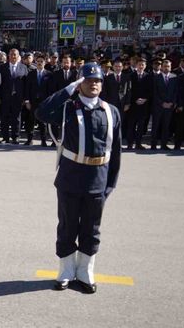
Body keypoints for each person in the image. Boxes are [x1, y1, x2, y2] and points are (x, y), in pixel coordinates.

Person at [35, 62, 122, 294]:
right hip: (70, 177)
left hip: (98, 178)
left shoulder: (110, 111)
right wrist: (67, 89)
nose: (93, 84)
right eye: (88, 80)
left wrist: (110, 183)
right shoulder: (67, 108)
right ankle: (65, 270)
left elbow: (115, 152)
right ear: (79, 83)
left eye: (97, 80)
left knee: (91, 228)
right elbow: (41, 112)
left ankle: (85, 271)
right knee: (67, 226)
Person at [0, 49, 28, 144]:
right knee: (4, 117)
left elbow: (26, 84)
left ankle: (16, 137)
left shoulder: (23, 67)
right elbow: (0, 83)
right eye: (11, 54)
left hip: (18, 97)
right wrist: (0, 96)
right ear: (8, 56)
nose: (13, 56)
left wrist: (25, 98)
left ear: (18, 56)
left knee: (17, 118)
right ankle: (5, 137)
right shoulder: (3, 67)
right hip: (5, 97)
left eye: (15, 55)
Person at [24, 54, 52, 146]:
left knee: (42, 123)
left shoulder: (49, 74)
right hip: (33, 101)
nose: (39, 63)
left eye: (41, 62)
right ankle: (29, 139)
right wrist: (27, 101)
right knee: (31, 121)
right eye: (38, 61)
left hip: (44, 102)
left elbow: (50, 90)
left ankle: (43, 141)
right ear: (36, 62)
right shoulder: (31, 74)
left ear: (45, 63)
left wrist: (48, 102)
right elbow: (27, 88)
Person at [150, 60, 177, 150]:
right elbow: (154, 93)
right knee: (155, 126)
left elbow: (175, 92)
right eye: (165, 66)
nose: (166, 68)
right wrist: (162, 103)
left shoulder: (174, 77)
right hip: (158, 106)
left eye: (168, 66)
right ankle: (153, 145)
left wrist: (171, 103)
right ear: (161, 67)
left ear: (170, 67)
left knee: (166, 126)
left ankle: (164, 144)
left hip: (169, 107)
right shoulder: (156, 77)